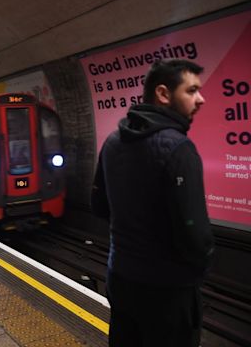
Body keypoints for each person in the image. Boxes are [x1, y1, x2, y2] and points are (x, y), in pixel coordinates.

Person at [91, 59, 214, 347]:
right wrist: (199, 268)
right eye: (192, 90)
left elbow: (98, 206)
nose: (201, 99)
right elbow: (195, 235)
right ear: (163, 94)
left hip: (120, 278)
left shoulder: (112, 142)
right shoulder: (179, 149)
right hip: (168, 292)